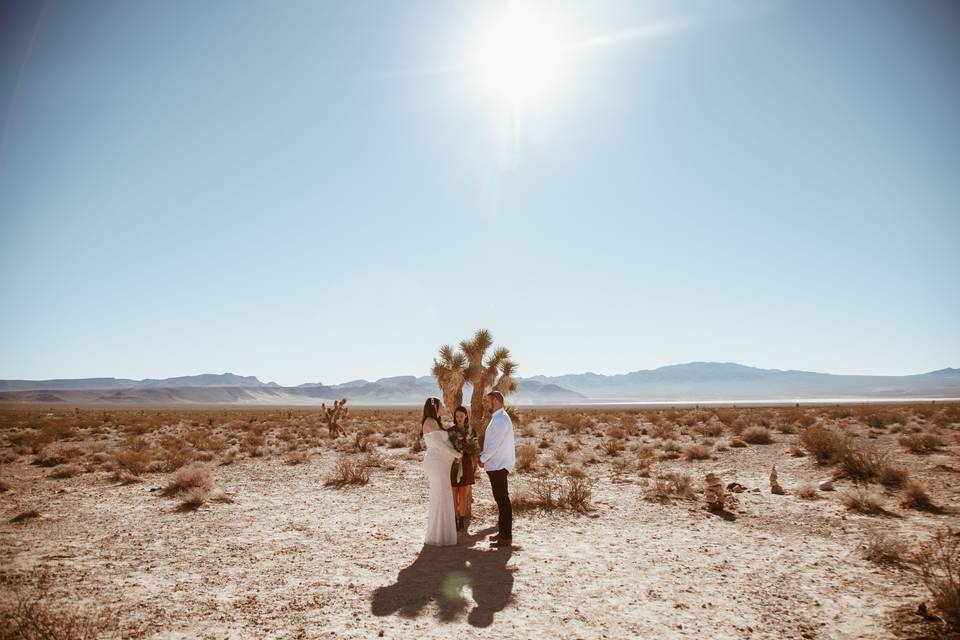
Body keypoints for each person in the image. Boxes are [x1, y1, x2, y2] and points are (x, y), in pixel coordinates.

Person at [420, 397, 462, 546]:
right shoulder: (430, 422)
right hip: (437, 464)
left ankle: (442, 534)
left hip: (441, 465)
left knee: (443, 496)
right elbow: (439, 445)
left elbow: (444, 442)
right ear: (435, 407)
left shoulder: (436, 422)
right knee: (440, 496)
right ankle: (438, 536)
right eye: (441, 405)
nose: (443, 407)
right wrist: (456, 453)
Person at [478, 391, 515, 547]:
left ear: (496, 400)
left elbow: (495, 444)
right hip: (497, 464)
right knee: (501, 501)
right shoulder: (499, 418)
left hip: (499, 465)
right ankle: (503, 533)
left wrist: (482, 459)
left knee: (503, 501)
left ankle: (506, 537)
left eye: (488, 401)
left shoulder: (500, 419)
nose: (486, 404)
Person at [448, 406, 477, 532]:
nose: (459, 419)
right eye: (457, 416)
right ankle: (454, 519)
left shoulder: (471, 431)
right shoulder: (450, 431)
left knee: (464, 494)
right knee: (454, 493)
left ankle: (461, 520)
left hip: (466, 464)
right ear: (454, 417)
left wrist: (467, 448)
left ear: (466, 416)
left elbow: (475, 448)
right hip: (453, 465)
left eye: (461, 416)